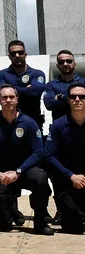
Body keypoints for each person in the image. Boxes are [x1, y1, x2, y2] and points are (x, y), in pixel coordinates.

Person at [0, 85, 53, 235]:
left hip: (25, 171)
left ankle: (40, 222)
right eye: (4, 97)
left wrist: (19, 171)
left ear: (17, 99)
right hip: (2, 174)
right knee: (1, 226)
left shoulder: (29, 123)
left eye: (11, 97)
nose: (8, 100)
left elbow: (39, 152)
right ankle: (11, 212)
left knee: (40, 178)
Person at [46, 83, 85, 234]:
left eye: (82, 96)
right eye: (73, 96)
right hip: (66, 180)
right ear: (68, 100)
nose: (77, 99)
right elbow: (49, 155)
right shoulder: (59, 125)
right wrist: (71, 176)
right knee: (73, 227)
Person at [0, 40, 46, 130]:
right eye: (13, 53)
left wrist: (9, 89)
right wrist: (26, 89)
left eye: (20, 52)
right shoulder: (0, 75)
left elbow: (35, 92)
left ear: (25, 54)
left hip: (33, 123)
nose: (17, 55)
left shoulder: (37, 74)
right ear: (9, 56)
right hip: (8, 124)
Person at [43, 50, 83, 123]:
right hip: (60, 127)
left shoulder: (83, 82)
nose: (65, 64)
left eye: (69, 61)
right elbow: (49, 104)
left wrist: (59, 97)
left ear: (75, 64)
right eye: (61, 62)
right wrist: (78, 97)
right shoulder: (50, 85)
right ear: (57, 66)